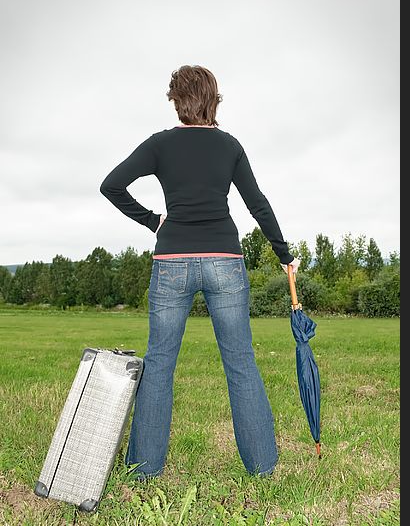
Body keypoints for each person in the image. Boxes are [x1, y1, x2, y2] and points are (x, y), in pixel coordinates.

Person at [100, 64, 300, 480]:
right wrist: (284, 253)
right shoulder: (229, 146)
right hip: (225, 261)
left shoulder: (159, 145)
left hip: (171, 262)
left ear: (176, 102)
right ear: (214, 99)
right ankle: (263, 468)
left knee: (158, 364)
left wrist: (154, 221)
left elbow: (112, 184)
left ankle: (143, 469)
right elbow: (257, 203)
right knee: (241, 363)